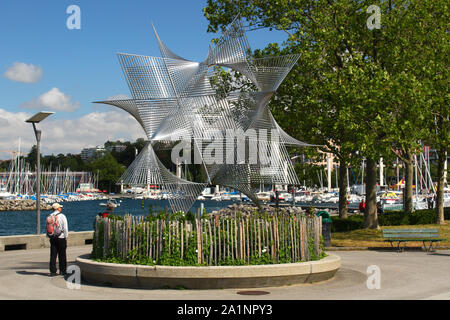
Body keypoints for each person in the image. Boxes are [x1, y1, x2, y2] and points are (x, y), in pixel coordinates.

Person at [48, 203, 68, 277]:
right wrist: (66, 236)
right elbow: (65, 228)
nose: (61, 208)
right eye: (60, 207)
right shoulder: (62, 216)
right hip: (61, 237)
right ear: (58, 208)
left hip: (52, 237)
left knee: (53, 255)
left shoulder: (50, 216)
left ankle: (52, 271)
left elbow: (47, 227)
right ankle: (62, 270)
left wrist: (49, 236)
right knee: (62, 254)